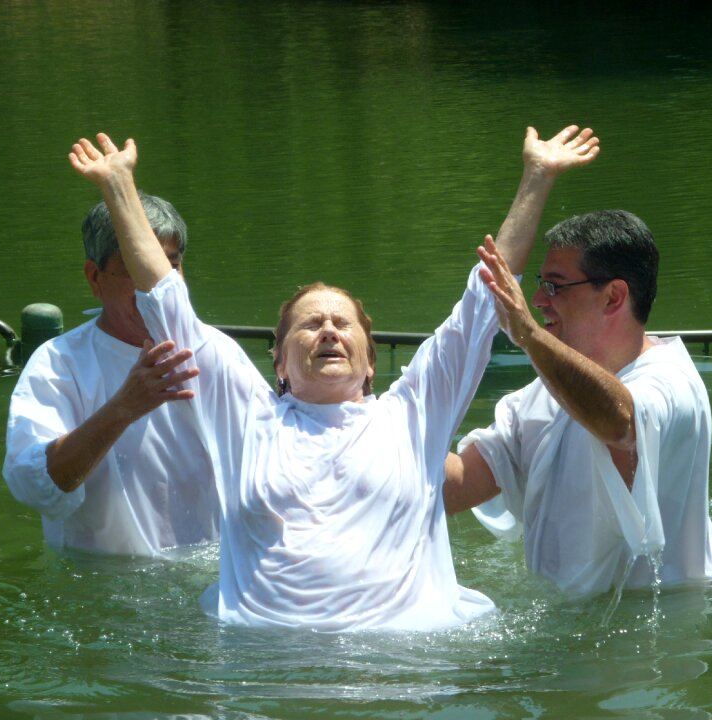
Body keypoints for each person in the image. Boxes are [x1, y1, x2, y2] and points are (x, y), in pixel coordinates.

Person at [67, 124, 600, 631]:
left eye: (343, 323)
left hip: (403, 668)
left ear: (371, 363)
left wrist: (537, 176)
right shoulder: (245, 419)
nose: (327, 331)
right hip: (261, 666)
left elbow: (487, 295)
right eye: (309, 324)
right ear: (277, 364)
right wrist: (119, 186)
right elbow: (166, 298)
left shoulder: (412, 416)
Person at [444, 208, 712, 596]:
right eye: (542, 283)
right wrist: (366, 415)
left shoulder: (669, 383)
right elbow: (452, 487)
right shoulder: (541, 396)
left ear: (613, 296)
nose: (539, 299)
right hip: (566, 626)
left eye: (556, 286)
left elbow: (619, 423)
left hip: (657, 632)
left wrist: (527, 335)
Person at [3, 194, 249, 556]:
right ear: (95, 277)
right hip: (99, 584)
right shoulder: (59, 363)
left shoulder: (216, 351)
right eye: (136, 269)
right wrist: (123, 408)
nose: (154, 287)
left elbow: (276, 462)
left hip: (210, 580)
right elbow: (34, 486)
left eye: (168, 268)